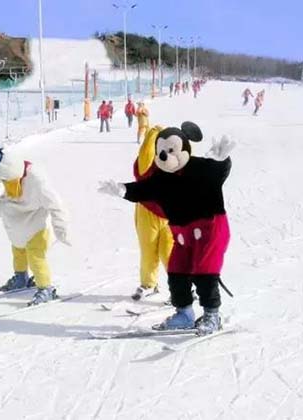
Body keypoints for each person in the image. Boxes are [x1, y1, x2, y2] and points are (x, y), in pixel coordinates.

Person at [99, 122, 236, 335]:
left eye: (170, 150)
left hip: (210, 230)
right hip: (182, 235)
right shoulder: (161, 178)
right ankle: (184, 314)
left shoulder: (200, 167)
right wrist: (122, 190)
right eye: (161, 151)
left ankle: (212, 315)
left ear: (184, 149)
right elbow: (143, 189)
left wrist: (222, 160)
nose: (164, 155)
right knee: (176, 272)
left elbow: (218, 172)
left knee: (204, 273)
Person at [0, 146, 70, 305]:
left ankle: (46, 288)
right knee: (18, 251)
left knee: (35, 256)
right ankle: (21, 277)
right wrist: (1, 206)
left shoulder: (37, 180)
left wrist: (61, 228)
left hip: (36, 226)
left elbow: (55, 204)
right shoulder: (11, 175)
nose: (5, 183)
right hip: (17, 227)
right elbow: (8, 195)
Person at [130, 125, 173, 300]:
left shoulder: (176, 164)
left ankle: (182, 288)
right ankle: (149, 284)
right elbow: (145, 154)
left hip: (171, 217)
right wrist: (153, 133)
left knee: (170, 254)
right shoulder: (146, 166)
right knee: (148, 251)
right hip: (147, 213)